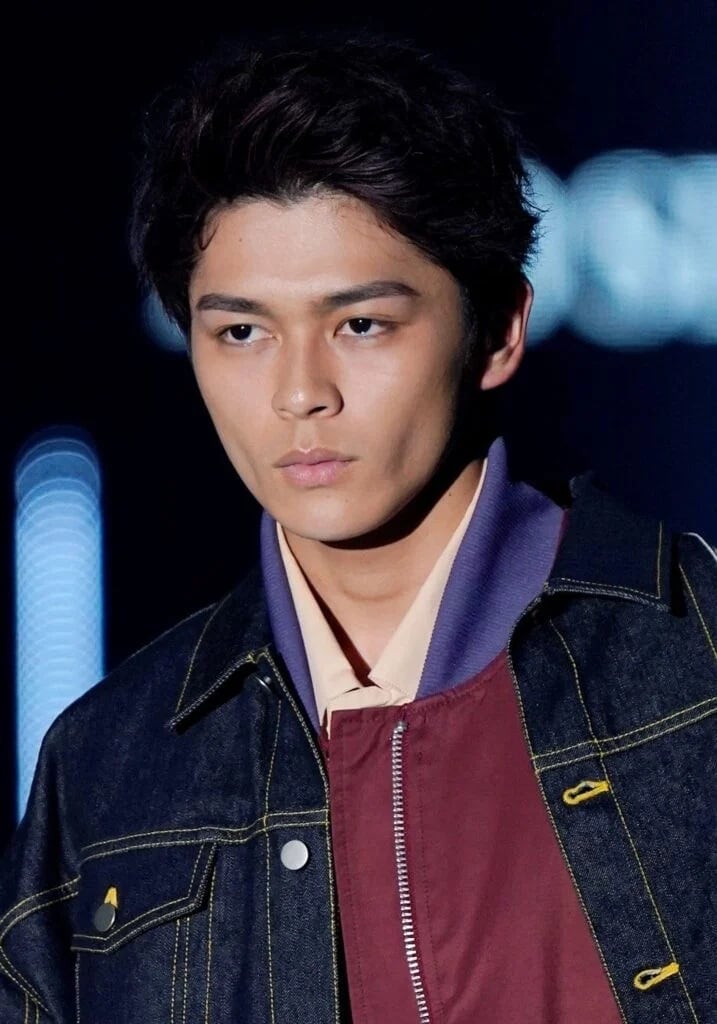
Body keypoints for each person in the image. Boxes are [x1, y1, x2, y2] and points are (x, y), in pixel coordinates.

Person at [1, 29, 715, 1024]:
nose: (300, 392)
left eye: (360, 324)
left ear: (499, 328)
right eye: (241, 331)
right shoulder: (108, 762)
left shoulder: (694, 655)